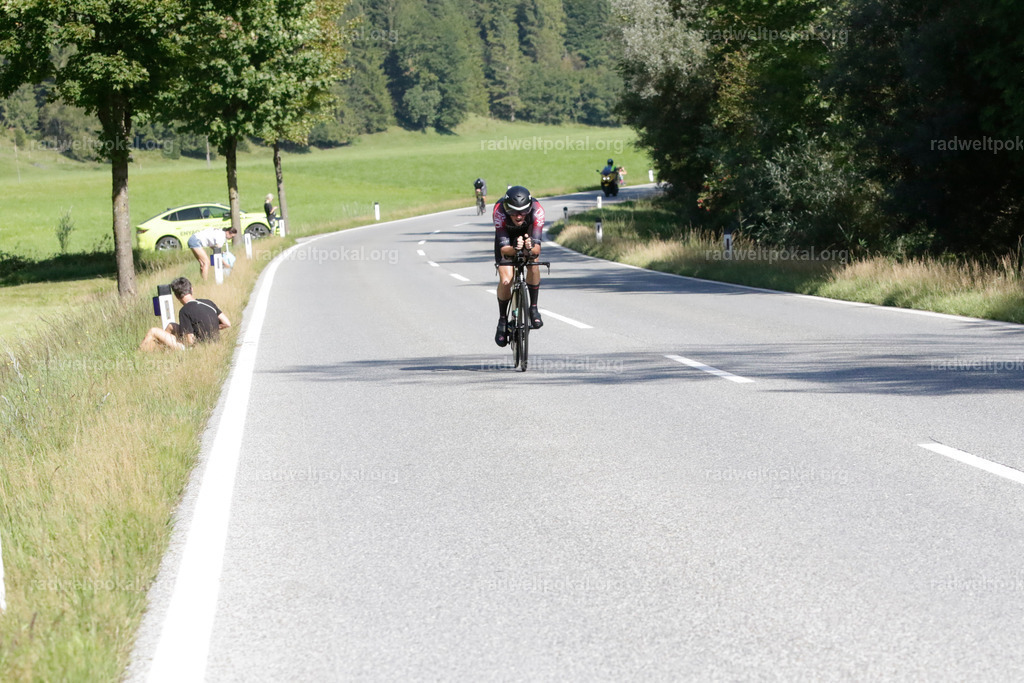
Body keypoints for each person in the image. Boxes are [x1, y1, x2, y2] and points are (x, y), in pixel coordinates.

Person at [493, 185, 544, 347]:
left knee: (533, 264)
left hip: (528, 237)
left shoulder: (538, 211)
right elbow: (503, 249)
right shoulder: (499, 212)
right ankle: (502, 321)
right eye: (514, 212)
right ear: (507, 208)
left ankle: (533, 308)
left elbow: (536, 250)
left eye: (523, 212)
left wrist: (528, 248)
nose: (519, 216)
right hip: (507, 240)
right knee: (506, 280)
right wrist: (515, 248)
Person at [139, 277, 231, 352]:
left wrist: (181, 340)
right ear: (191, 289)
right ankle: (163, 350)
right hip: (214, 342)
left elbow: (190, 341)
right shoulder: (208, 302)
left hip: (195, 349)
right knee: (172, 326)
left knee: (153, 331)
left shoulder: (184, 311)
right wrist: (208, 329)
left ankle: (140, 354)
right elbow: (227, 323)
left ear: (176, 296)